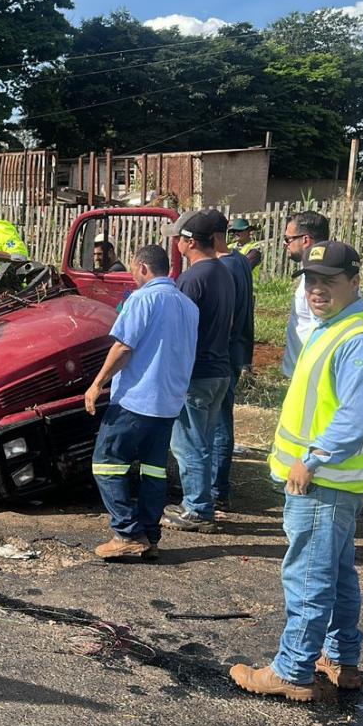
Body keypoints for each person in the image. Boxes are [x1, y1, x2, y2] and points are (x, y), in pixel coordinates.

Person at [231, 240, 363, 703]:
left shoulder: (358, 338)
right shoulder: (334, 327)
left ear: (355, 281)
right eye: (311, 281)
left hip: (323, 479)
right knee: (337, 574)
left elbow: (356, 417)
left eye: (329, 281)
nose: (317, 290)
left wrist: (313, 458)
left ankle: (293, 668)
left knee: (308, 576)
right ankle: (340, 658)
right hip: (332, 479)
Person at [83, 244, 197, 560]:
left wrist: (96, 384)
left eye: (134, 269)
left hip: (136, 399)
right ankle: (150, 536)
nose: (133, 275)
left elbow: (123, 348)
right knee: (153, 471)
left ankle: (127, 533)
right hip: (169, 403)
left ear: (143, 268)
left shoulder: (142, 298)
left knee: (106, 463)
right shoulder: (188, 306)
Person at [160, 210, 235, 534]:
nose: (175, 243)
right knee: (201, 440)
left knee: (188, 443)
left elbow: (178, 330)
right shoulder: (224, 272)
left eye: (178, 238)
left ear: (189, 241)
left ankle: (197, 509)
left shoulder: (193, 279)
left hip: (197, 374)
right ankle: (200, 501)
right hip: (220, 369)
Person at [212, 216, 255, 513]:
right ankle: (218, 489)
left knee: (217, 424)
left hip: (220, 355)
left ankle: (216, 491)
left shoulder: (223, 268)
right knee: (221, 420)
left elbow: (221, 320)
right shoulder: (239, 261)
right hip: (235, 351)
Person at [280, 211, 330, 378]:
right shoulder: (312, 273)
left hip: (310, 376)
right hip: (303, 375)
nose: (286, 244)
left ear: (306, 240)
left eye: (288, 239)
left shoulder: (320, 281)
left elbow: (323, 330)